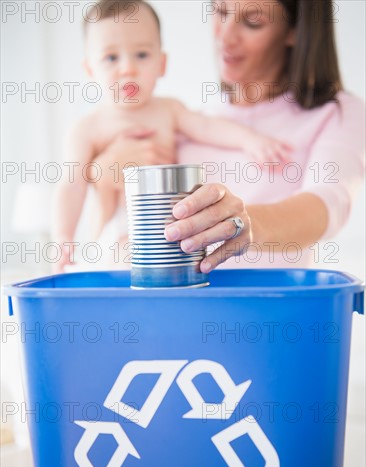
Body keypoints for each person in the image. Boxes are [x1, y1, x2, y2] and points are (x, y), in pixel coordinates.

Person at [88, 0, 365, 272]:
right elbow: (108, 244)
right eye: (220, 11)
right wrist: (100, 181)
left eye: (252, 21)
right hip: (176, 314)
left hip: (273, 314)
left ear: (294, 30)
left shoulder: (337, 114)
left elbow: (326, 205)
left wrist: (246, 223)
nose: (225, 36)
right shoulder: (182, 124)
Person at [52, 0, 292, 273]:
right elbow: (71, 185)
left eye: (141, 55)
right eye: (111, 58)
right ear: (90, 70)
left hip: (171, 225)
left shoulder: (168, 110)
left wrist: (251, 140)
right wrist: (63, 237)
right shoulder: (87, 128)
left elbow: (207, 127)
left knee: (183, 263)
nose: (128, 68)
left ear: (162, 63)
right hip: (120, 226)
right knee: (123, 258)